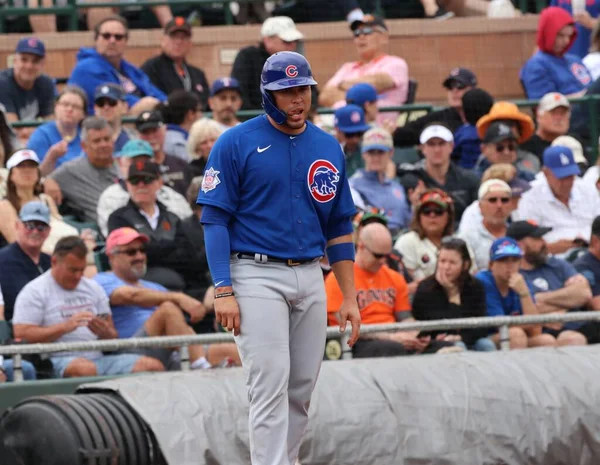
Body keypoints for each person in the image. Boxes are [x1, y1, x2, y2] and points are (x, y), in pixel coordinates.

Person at [196, 51, 361, 465]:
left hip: (309, 273)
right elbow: (214, 220)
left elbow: (339, 227)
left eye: (302, 88)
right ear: (268, 94)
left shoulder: (327, 146)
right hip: (254, 272)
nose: (296, 99)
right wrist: (223, 289)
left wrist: (350, 296)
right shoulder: (235, 141)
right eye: (286, 91)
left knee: (301, 388)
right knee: (269, 384)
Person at [12, 236, 164, 378]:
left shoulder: (93, 288)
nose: (78, 276)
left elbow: (112, 338)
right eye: (72, 270)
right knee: (85, 369)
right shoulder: (34, 291)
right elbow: (22, 335)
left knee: (152, 366)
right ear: (54, 262)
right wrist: (64, 327)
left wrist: (104, 332)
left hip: (98, 358)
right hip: (56, 360)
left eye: (82, 270)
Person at [94, 227, 239, 369]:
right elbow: (129, 295)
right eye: (131, 252)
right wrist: (179, 297)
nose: (139, 256)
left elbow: (181, 323)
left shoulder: (155, 287)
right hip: (131, 350)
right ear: (112, 257)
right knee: (168, 309)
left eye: (142, 250)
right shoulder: (101, 280)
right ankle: (200, 367)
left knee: (230, 349)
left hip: (169, 348)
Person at [326, 222, 421, 357]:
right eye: (378, 255)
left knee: (441, 347)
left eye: (386, 256)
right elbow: (344, 326)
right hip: (356, 342)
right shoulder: (338, 278)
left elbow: (405, 317)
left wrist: (415, 335)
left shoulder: (394, 277)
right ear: (361, 246)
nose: (383, 261)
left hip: (394, 338)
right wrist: (389, 337)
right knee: (392, 348)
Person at [68, 15, 167, 115]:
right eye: (106, 36)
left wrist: (164, 104)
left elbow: (155, 93)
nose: (112, 41)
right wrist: (150, 104)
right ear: (96, 39)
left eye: (118, 37)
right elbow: (114, 101)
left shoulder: (130, 69)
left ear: (126, 42)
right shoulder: (86, 68)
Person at [412, 237, 494, 351]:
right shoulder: (426, 288)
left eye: (452, 262)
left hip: (467, 338)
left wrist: (461, 337)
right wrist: (451, 295)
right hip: (436, 341)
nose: (446, 267)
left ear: (465, 264)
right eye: (442, 261)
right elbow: (433, 324)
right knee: (458, 347)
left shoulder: (475, 286)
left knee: (486, 345)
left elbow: (481, 325)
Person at [475, 237, 555, 349]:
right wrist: (528, 323)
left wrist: (524, 293)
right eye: (503, 260)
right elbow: (501, 325)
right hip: (483, 340)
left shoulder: (521, 281)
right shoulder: (482, 281)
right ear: (491, 265)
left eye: (515, 260)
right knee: (515, 335)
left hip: (514, 336)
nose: (510, 265)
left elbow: (536, 330)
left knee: (546, 340)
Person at [231, 16, 305, 110]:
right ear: (267, 40)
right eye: (286, 41)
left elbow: (311, 92)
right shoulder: (248, 57)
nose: (292, 45)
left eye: (295, 41)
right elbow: (240, 92)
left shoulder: (298, 63)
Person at [349, 127, 411, 235]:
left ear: (391, 153)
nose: (376, 157)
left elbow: (407, 222)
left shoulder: (397, 187)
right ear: (363, 154)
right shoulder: (352, 185)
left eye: (380, 152)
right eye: (371, 152)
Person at [141, 17, 210, 110]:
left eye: (183, 38)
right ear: (163, 40)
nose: (178, 42)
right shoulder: (152, 68)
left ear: (190, 43)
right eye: (174, 37)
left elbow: (206, 103)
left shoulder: (198, 74)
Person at [0, 201, 52, 321]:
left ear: (48, 231)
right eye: (30, 225)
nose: (35, 232)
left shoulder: (51, 262)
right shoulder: (3, 260)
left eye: (41, 227)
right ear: (17, 226)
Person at [26, 86, 87, 175]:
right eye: (65, 104)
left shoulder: (86, 136)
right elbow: (35, 175)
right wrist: (51, 157)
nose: (69, 109)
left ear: (83, 114)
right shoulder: (41, 135)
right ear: (56, 107)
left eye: (76, 106)